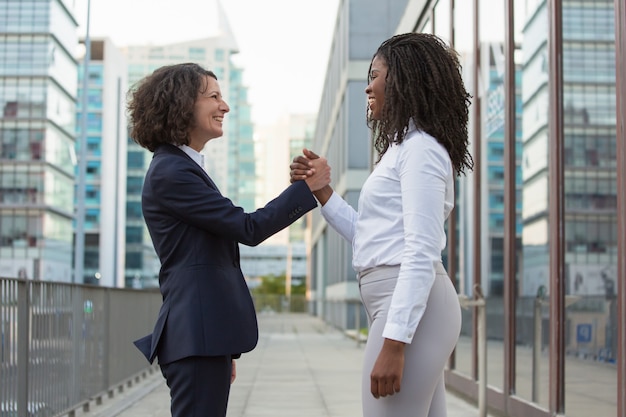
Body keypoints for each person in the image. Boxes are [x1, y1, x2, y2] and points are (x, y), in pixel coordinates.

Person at [127, 62, 330, 417]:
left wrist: (223, 349)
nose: (225, 106)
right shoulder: (172, 172)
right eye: (214, 96)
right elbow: (247, 228)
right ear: (182, 103)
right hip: (196, 339)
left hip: (205, 339)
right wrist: (306, 189)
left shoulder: (183, 167)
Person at [290, 33, 473, 417]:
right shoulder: (403, 149)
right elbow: (371, 237)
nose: (368, 86)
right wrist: (323, 191)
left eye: (376, 74)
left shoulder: (421, 150)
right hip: (404, 307)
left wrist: (395, 341)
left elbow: (422, 249)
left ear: (404, 78)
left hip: (410, 309)